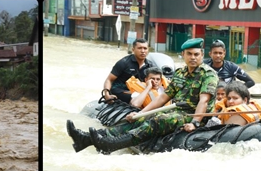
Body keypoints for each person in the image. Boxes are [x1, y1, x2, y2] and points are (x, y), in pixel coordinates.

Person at [68, 38, 218, 154]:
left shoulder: (208, 74)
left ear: (202, 55)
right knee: (138, 119)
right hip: (175, 110)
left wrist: (195, 123)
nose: (193, 57)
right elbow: (163, 98)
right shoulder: (180, 73)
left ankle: (112, 145)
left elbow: (204, 101)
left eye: (196, 54)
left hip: (192, 114)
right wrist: (139, 113)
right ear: (183, 55)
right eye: (189, 54)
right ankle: (87, 138)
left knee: (159, 120)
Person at [102, 38, 157, 105]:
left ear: (148, 50)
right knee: (136, 96)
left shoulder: (151, 66)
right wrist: (107, 94)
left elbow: (159, 82)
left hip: (140, 92)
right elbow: (109, 80)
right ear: (133, 50)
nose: (143, 51)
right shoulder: (124, 62)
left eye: (145, 48)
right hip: (120, 91)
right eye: (139, 48)